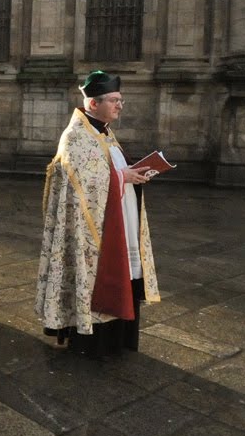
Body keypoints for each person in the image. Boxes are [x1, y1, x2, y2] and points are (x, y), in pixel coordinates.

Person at [35, 71, 161, 359]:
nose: (120, 105)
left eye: (120, 100)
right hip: (92, 232)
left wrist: (132, 174)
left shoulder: (104, 132)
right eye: (114, 100)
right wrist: (121, 177)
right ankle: (93, 341)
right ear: (93, 103)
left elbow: (108, 170)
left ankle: (119, 338)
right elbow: (81, 182)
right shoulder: (75, 136)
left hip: (118, 219)